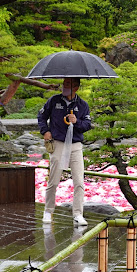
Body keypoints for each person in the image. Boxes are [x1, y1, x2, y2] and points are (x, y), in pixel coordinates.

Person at [38, 77, 92, 225]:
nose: (65, 86)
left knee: (79, 181)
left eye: (68, 84)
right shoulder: (54, 101)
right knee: (54, 180)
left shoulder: (82, 105)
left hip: (75, 145)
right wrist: (45, 131)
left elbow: (87, 125)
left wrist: (77, 121)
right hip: (58, 143)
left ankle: (78, 214)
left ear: (76, 87)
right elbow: (41, 116)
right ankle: (48, 211)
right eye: (64, 83)